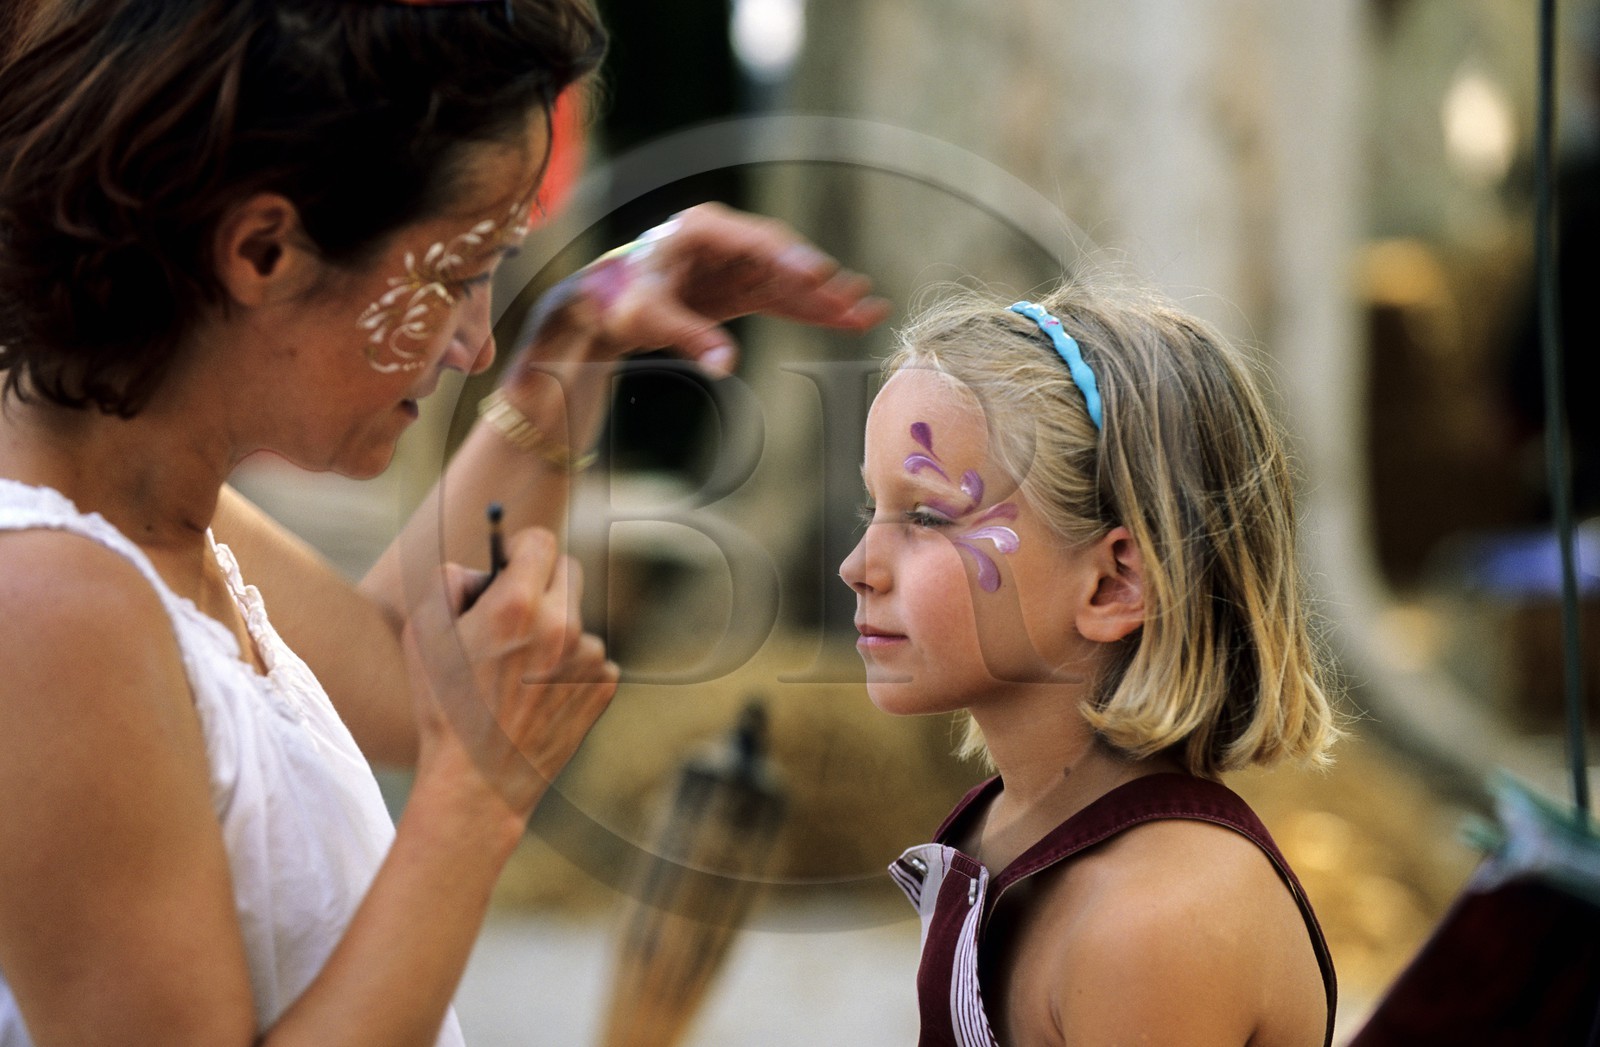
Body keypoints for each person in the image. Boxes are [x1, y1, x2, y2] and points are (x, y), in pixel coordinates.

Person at [0, 1, 887, 1044]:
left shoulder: (141, 513)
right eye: (458, 276)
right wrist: (477, 801)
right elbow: (443, 708)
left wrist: (575, 344)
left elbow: (400, 663)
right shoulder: (53, 606)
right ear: (264, 249)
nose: (473, 343)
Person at [840, 277, 1342, 1046]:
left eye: (926, 515)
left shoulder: (1154, 921)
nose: (856, 564)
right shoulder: (1007, 829)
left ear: (1113, 583)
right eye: (871, 507)